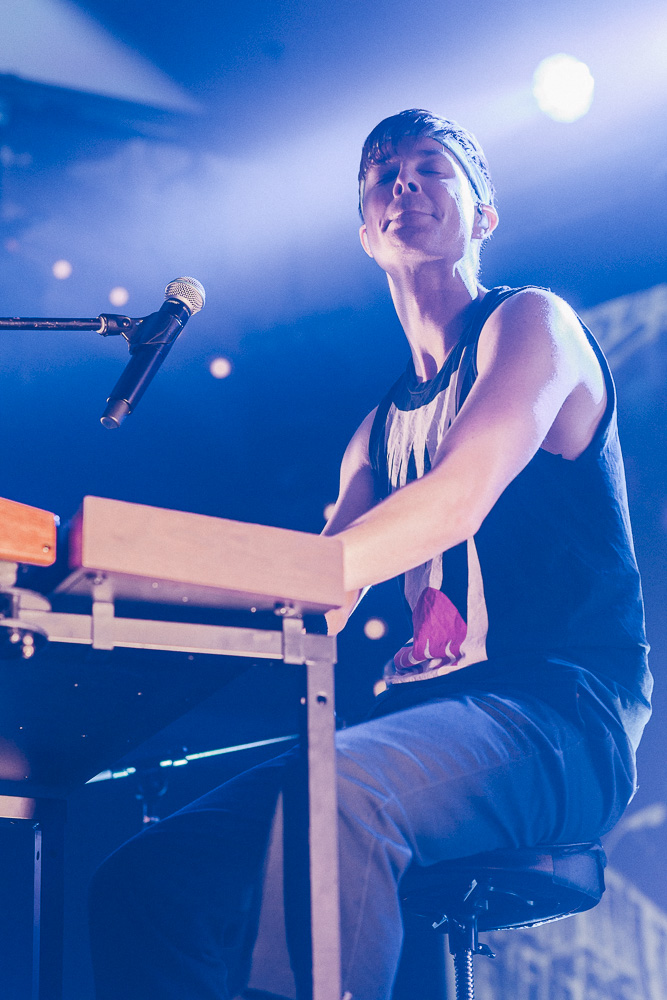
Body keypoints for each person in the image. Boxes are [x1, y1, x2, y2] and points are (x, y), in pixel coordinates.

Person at [89, 109, 651, 1000]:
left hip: (558, 720)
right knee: (149, 876)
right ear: (364, 230)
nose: (403, 183)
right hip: (417, 726)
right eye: (383, 173)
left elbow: (458, 496)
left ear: (483, 214)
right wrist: (110, 593)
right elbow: (312, 595)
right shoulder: (373, 435)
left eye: (432, 168)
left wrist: (301, 570)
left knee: (342, 794)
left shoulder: (530, 324)